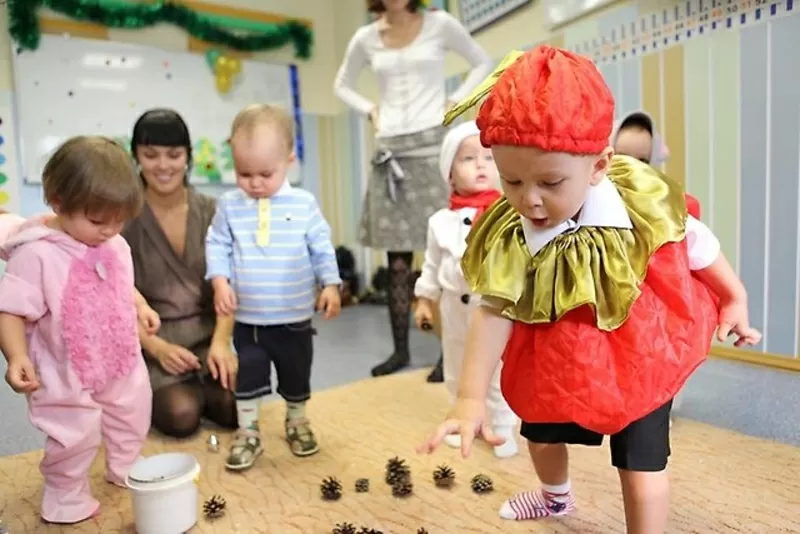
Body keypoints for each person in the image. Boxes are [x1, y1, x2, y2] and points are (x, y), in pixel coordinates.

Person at [418, 46, 761, 533]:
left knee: (641, 467)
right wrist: (471, 397)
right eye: (511, 180)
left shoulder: (638, 198)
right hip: (557, 354)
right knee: (538, 429)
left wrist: (735, 297)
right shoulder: (513, 229)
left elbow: (696, 244)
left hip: (641, 350)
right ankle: (556, 498)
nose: (529, 199)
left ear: (598, 165)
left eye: (550, 182)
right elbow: (494, 308)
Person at [0, 136, 157, 524]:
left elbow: (121, 281)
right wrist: (16, 355)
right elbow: (10, 309)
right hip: (63, 367)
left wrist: (140, 305)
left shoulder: (115, 243)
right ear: (57, 202)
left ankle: (125, 465)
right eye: (98, 221)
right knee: (75, 432)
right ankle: (64, 493)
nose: (110, 230)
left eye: (119, 220)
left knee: (133, 410)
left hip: (119, 356)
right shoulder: (35, 254)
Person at [334, 0, 494, 377]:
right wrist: (371, 110)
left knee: (443, 250)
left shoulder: (440, 24)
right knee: (398, 260)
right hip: (391, 147)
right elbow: (341, 84)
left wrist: (455, 101)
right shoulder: (366, 36)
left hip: (430, 145)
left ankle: (446, 352)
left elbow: (482, 61)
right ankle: (400, 350)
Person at [206, 104, 342, 470]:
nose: (254, 183)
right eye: (243, 173)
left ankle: (297, 420)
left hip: (295, 316)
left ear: (289, 160)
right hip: (248, 320)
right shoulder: (230, 205)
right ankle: (248, 431)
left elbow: (321, 246)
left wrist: (330, 284)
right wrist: (220, 282)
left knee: (296, 374)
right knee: (247, 377)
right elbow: (217, 244)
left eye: (266, 173)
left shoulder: (303, 204)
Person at [123, 109, 239, 439]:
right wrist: (157, 349)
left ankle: (206, 391)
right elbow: (114, 300)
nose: (163, 166)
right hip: (153, 343)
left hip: (209, 336)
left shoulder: (212, 210)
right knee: (181, 415)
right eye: (150, 155)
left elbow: (230, 285)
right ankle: (184, 394)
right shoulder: (123, 217)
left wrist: (222, 342)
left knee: (235, 409)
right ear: (136, 157)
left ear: (188, 156)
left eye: (174, 155)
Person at [414, 120, 518, 458]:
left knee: (496, 368)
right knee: (457, 365)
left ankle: (501, 426)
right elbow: (431, 264)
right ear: (450, 172)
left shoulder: (507, 213)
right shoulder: (438, 222)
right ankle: (463, 419)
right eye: (469, 159)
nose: (481, 166)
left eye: (488, 158)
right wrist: (424, 300)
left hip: (491, 309)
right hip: (452, 308)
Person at [611, 110, 700, 425]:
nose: (631, 167)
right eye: (621, 156)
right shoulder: (599, 198)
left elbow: (694, 245)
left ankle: (663, 396)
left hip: (658, 291)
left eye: (642, 159)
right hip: (619, 292)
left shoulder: (669, 200)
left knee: (661, 347)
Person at [611, 110, 701, 219]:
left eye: (642, 161)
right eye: (622, 158)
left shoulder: (674, 207)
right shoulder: (591, 200)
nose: (632, 166)